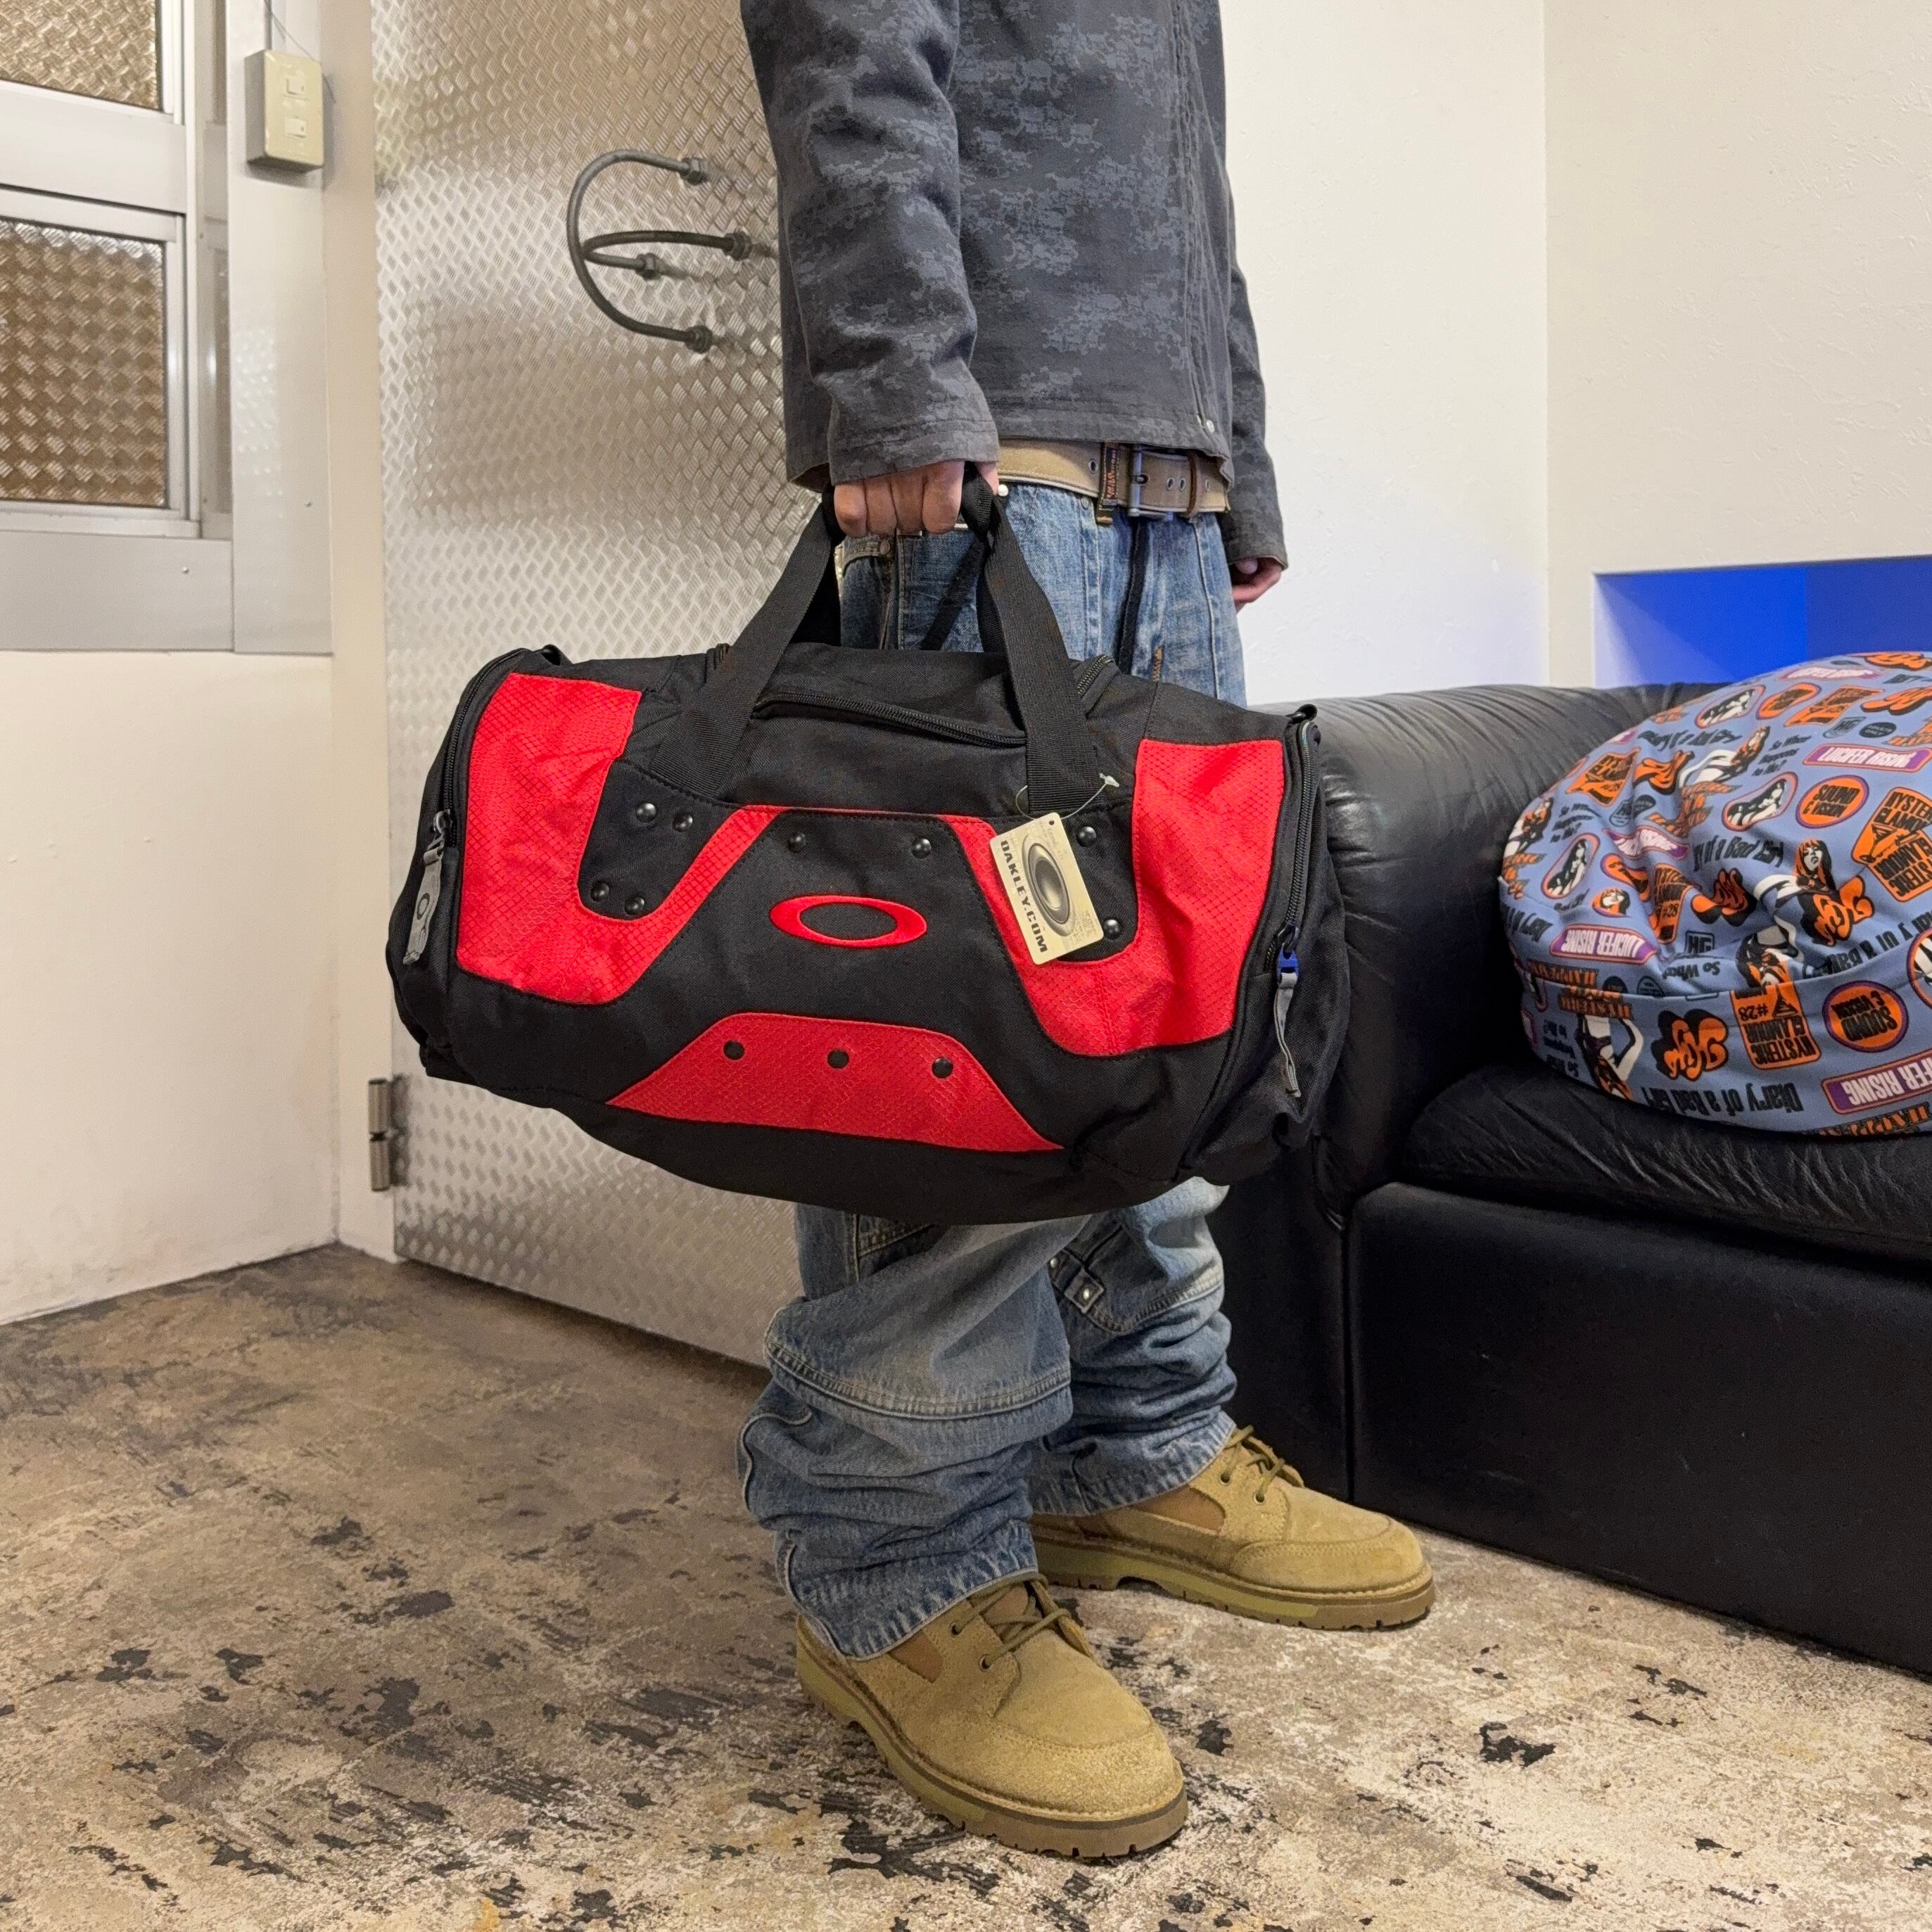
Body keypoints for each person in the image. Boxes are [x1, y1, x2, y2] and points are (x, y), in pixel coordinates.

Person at [735, 0, 1433, 1856]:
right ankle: (892, 1561)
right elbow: (852, 29)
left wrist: (1235, 461)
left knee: (1164, 1033)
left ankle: (1136, 1444)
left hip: (1160, 503)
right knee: (958, 1061)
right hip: (999, 489)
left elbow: (1187, 171)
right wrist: (889, 378)